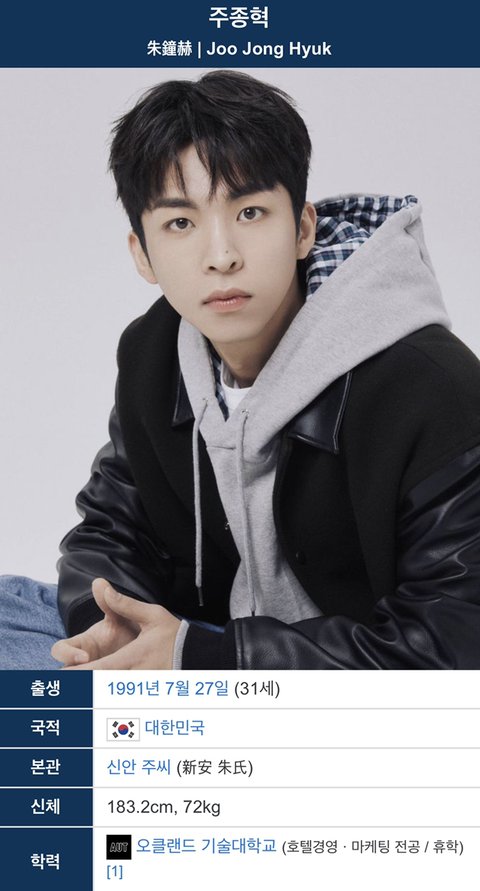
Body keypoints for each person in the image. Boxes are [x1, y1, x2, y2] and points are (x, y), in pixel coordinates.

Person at [5, 70, 480, 670]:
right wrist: (111, 631)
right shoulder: (154, 354)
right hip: (212, 647)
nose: (222, 255)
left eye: (251, 212)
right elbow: (111, 529)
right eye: (180, 223)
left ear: (302, 228)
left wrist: (202, 659)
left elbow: (452, 645)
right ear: (142, 254)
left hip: (353, 677)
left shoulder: (432, 385)